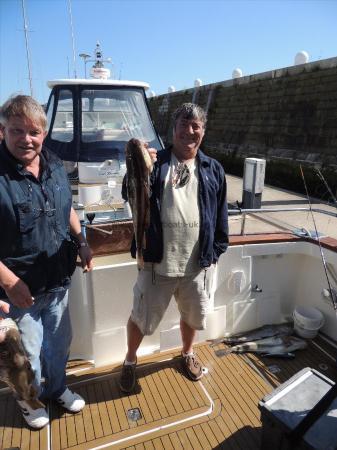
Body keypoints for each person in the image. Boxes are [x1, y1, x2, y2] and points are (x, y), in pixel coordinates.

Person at [119, 103, 228, 393]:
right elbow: (129, 191)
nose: (189, 131)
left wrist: (215, 250)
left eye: (196, 126)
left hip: (197, 263)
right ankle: (130, 361)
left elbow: (220, 216)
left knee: (191, 316)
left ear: (203, 131)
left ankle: (187, 353)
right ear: (174, 128)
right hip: (157, 262)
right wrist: (139, 164)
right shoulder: (157, 163)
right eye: (184, 124)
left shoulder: (213, 168)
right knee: (140, 317)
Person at [0, 95, 93, 428]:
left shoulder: (53, 163)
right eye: (17, 131)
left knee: (58, 346)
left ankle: (58, 389)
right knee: (27, 359)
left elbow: (67, 207)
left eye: (34, 131)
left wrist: (82, 242)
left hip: (57, 282)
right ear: (3, 131)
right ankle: (29, 401)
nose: (26, 139)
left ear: (44, 132)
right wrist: (9, 281)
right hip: (18, 293)